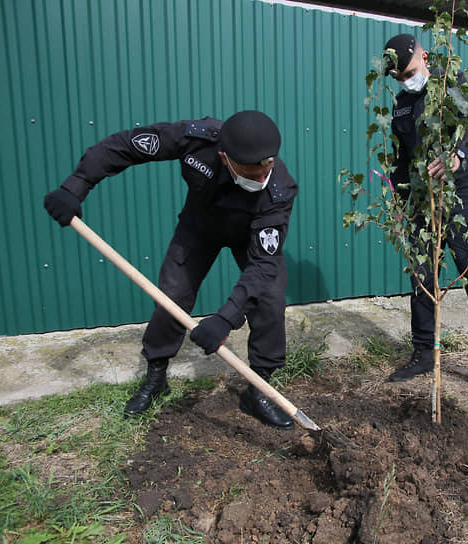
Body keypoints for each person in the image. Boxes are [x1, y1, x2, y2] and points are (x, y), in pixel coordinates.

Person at [44, 111, 298, 428]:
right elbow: (124, 146)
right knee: (172, 295)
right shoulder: (196, 140)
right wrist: (76, 185)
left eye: (267, 166)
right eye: (251, 171)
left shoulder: (279, 190)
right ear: (224, 156)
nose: (262, 177)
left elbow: (263, 265)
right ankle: (156, 377)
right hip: (198, 228)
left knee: (270, 297)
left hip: (251, 236)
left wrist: (225, 319)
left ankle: (259, 388)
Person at [381, 33, 468, 404]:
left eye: (409, 72)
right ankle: (423, 352)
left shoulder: (456, 83)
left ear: (423, 55)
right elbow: (402, 159)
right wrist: (401, 202)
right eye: (399, 78)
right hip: (421, 200)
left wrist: (458, 156)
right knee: (422, 277)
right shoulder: (403, 104)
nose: (405, 81)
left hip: (463, 196)